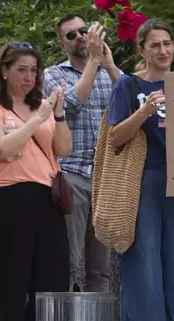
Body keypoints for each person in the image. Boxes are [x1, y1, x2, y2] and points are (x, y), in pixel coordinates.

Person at [107, 19, 174, 321]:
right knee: (142, 269)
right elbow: (115, 137)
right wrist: (143, 111)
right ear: (141, 49)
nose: (163, 50)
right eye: (155, 44)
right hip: (142, 181)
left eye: (168, 43)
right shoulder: (129, 85)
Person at [0, 41, 72, 321]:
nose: (28, 77)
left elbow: (63, 148)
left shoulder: (42, 106)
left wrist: (57, 114)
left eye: (33, 70)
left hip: (46, 196)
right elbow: (3, 149)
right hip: (8, 196)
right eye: (21, 70)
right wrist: (33, 120)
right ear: (5, 71)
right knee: (11, 280)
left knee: (53, 279)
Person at [44, 14, 120, 296]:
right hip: (72, 176)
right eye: (71, 35)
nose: (80, 37)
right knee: (68, 260)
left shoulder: (107, 72)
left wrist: (109, 64)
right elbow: (71, 104)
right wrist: (94, 63)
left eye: (83, 31)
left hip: (106, 178)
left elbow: (134, 101)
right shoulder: (53, 74)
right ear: (62, 44)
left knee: (100, 267)